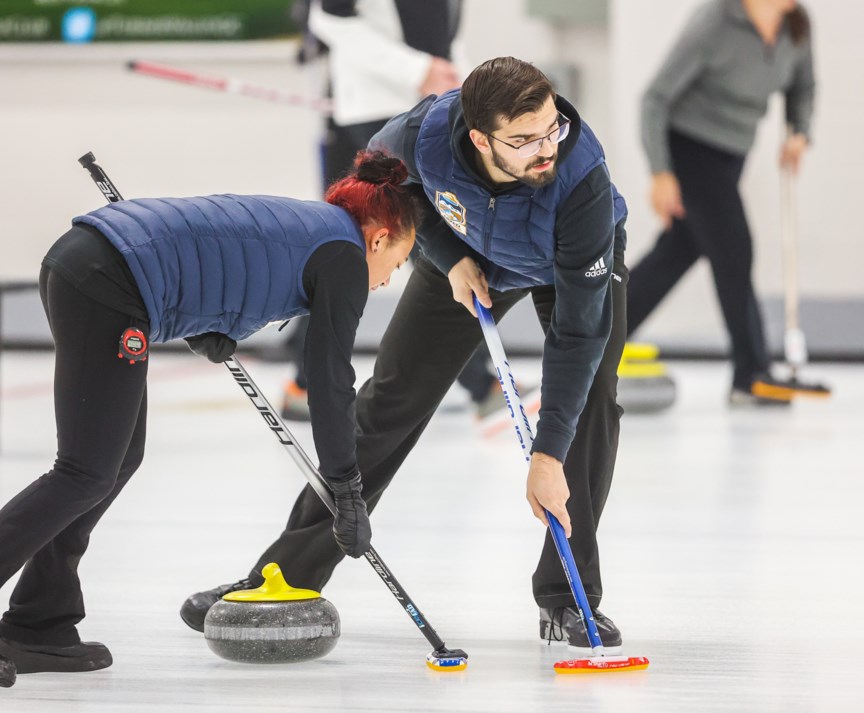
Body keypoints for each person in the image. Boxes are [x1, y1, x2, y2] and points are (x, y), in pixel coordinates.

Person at [0, 151, 418, 688]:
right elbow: (330, 383)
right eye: (399, 263)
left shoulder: (316, 229)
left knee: (118, 457)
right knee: (84, 469)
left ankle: (39, 620)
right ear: (380, 238)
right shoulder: (343, 255)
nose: (387, 280)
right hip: (107, 283)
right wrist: (347, 487)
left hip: (96, 268)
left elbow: (219, 249)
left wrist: (206, 316)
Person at [182, 57, 630, 653]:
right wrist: (449, 256)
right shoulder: (421, 134)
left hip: (563, 266)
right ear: (478, 138)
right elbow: (388, 186)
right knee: (389, 402)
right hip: (470, 255)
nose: (545, 148)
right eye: (523, 141)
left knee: (591, 405)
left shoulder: (580, 184)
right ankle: (285, 574)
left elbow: (578, 337)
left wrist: (546, 455)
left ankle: (568, 596)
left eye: (551, 129)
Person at [280, 0, 507, 422]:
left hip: (420, 102)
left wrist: (466, 88)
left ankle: (306, 381)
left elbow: (440, 29)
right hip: (380, 106)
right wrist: (415, 70)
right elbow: (328, 17)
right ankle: (481, 383)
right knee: (424, 241)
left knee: (349, 243)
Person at [627, 0, 815, 406]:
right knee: (734, 249)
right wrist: (661, 173)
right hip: (689, 148)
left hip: (733, 155)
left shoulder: (796, 27)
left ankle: (592, 340)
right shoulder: (716, 21)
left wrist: (800, 131)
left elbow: (803, 85)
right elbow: (654, 99)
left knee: (675, 255)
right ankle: (751, 375)